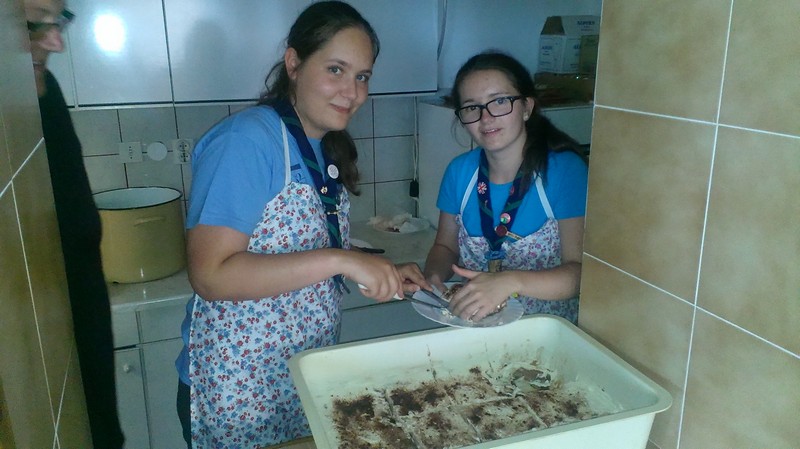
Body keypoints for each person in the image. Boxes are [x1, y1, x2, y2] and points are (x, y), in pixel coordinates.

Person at [174, 2, 429, 447]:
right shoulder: (247, 141)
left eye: (362, 76)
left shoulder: (322, 145)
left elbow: (303, 241)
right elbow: (210, 276)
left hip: (302, 373)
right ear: (294, 63)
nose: (352, 92)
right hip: (241, 387)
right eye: (336, 69)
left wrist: (377, 266)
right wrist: (341, 260)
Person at [24, 0, 125, 447]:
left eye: (60, 21)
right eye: (33, 24)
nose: (56, 43)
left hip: (77, 322)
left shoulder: (43, 90)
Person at [423, 51, 589, 324]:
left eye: (500, 101)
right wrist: (433, 278)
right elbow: (445, 246)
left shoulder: (564, 171)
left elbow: (580, 274)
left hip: (545, 334)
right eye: (472, 107)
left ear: (526, 107)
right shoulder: (459, 172)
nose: (485, 117)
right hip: (475, 325)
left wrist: (510, 281)